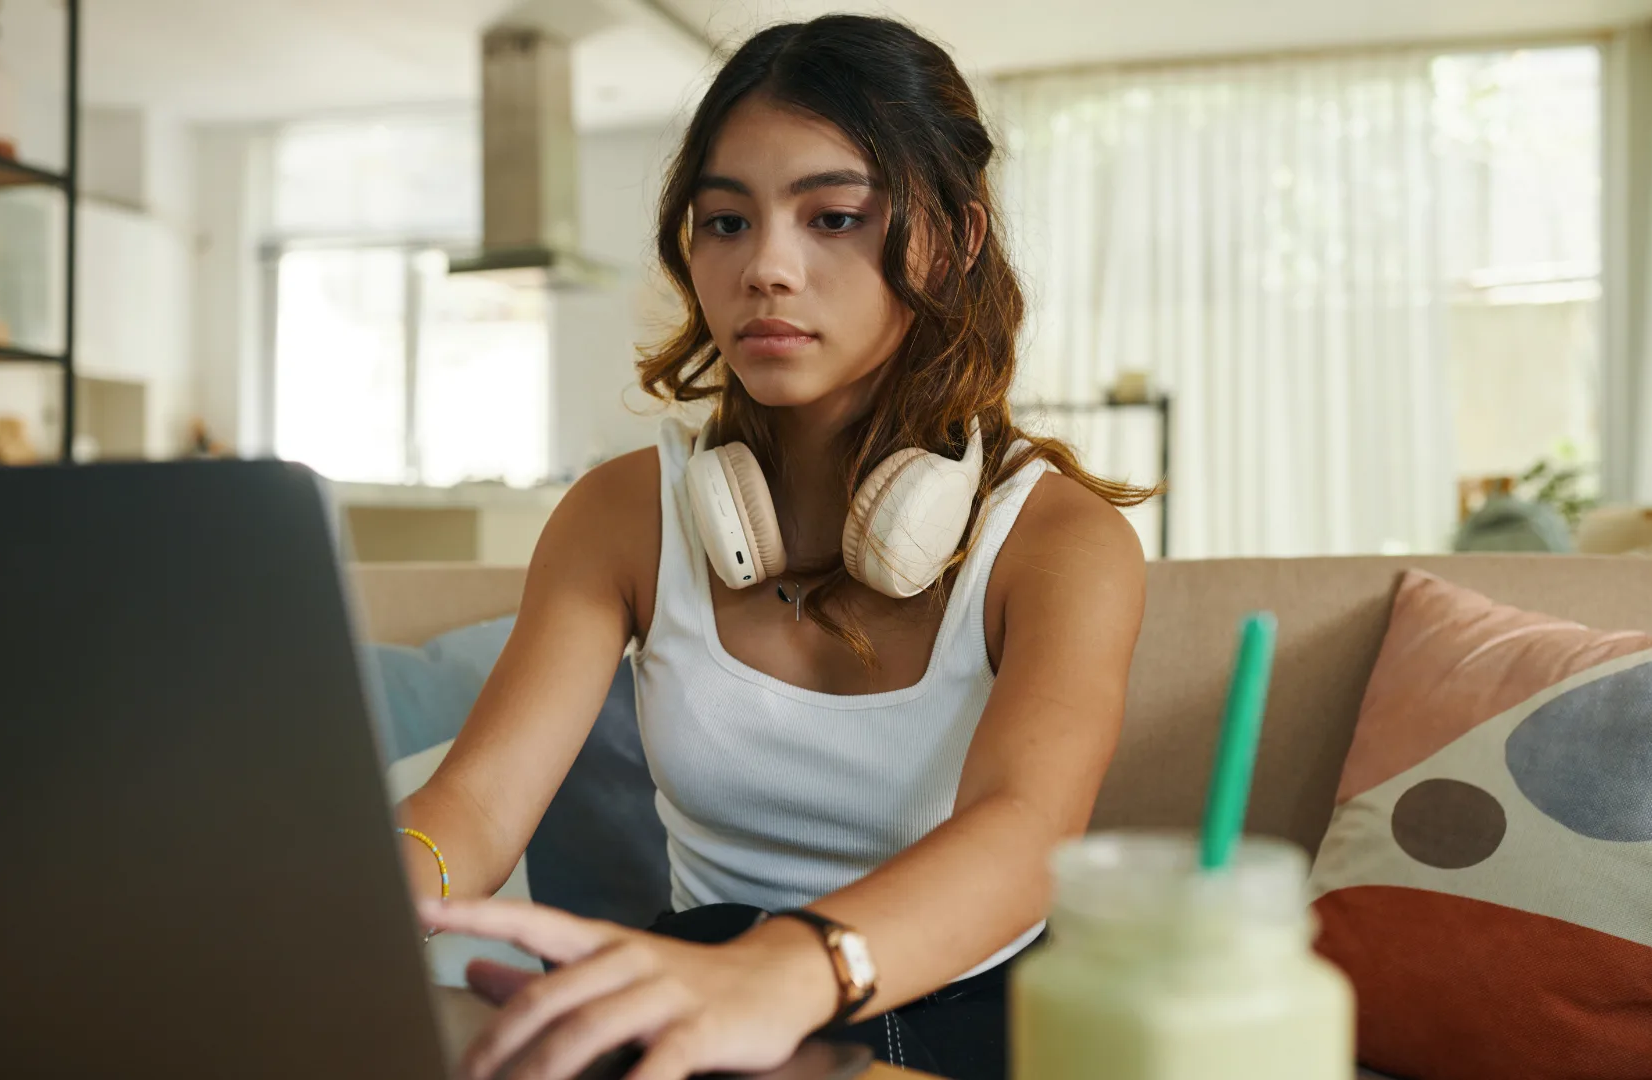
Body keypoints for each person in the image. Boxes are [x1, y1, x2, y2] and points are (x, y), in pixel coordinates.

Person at [400, 15, 1150, 1080]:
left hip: (960, 1015)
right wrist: (381, 882)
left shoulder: (1060, 542)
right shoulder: (621, 515)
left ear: (957, 238)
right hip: (706, 976)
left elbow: (1025, 832)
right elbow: (475, 804)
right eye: (725, 222)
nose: (767, 268)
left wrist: (787, 976)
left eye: (835, 216)